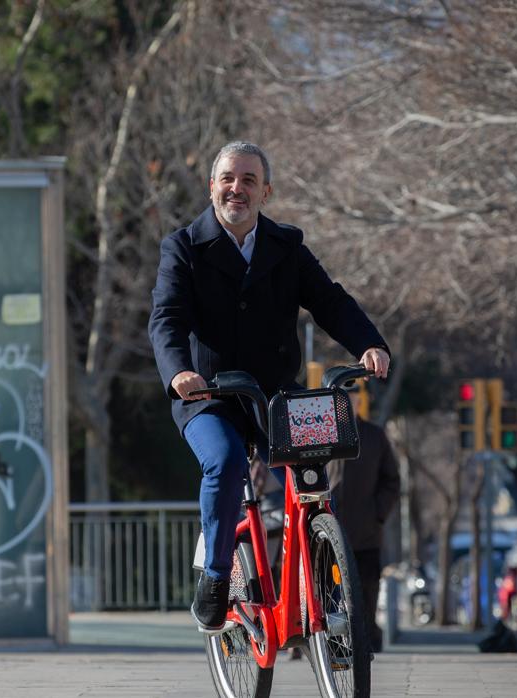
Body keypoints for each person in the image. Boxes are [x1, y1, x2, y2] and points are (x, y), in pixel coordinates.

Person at [148, 141, 390, 633]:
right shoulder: (183, 247)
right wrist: (178, 372)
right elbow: (166, 317)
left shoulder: (287, 246)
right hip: (208, 397)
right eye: (229, 179)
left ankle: (322, 581)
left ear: (266, 191)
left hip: (277, 396)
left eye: (249, 180)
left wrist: (369, 343)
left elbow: (329, 301)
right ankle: (216, 579)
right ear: (212, 185)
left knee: (313, 480)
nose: (238, 188)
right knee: (226, 461)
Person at [326, 387, 401, 652]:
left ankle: (368, 640)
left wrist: (377, 514)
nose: (347, 404)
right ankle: (335, 642)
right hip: (328, 534)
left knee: (367, 591)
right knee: (330, 590)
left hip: (366, 534)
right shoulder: (325, 435)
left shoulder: (374, 435)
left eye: (352, 399)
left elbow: (392, 481)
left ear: (359, 402)